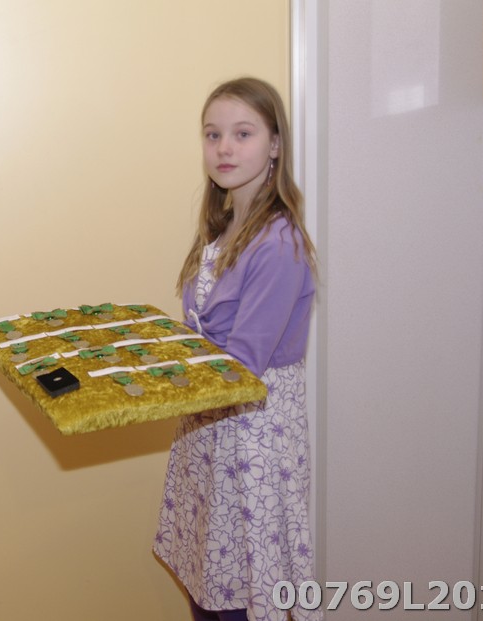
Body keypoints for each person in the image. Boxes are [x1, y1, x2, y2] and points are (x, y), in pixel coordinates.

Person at [153, 77, 322, 621]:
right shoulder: (223, 228)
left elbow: (242, 365)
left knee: (241, 595)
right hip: (210, 432)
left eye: (242, 133)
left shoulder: (277, 243)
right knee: (208, 582)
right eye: (213, 134)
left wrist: (150, 382)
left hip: (252, 439)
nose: (224, 147)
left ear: (275, 144)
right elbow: (201, 334)